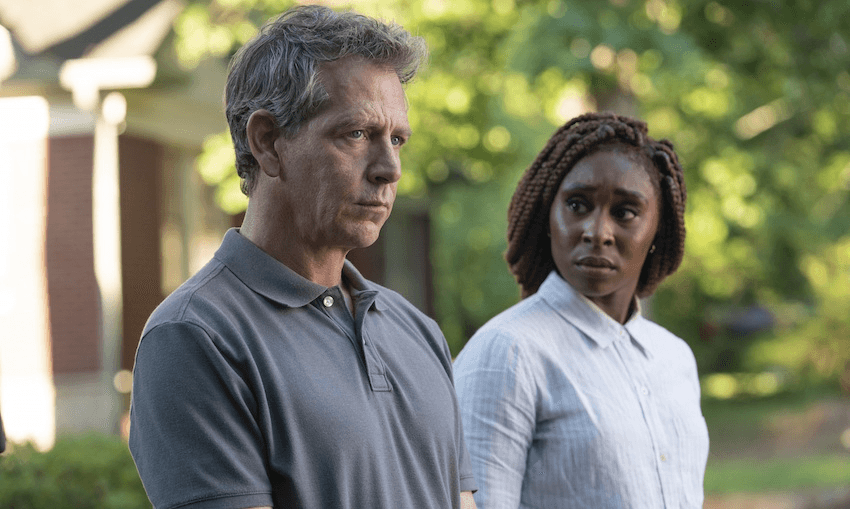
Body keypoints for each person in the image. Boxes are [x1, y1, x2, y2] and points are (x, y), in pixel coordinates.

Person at [129, 6, 477, 509]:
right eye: (356, 134)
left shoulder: (416, 331)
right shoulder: (194, 338)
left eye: (397, 140)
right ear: (268, 141)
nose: (390, 169)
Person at [453, 112, 709, 508]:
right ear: (548, 218)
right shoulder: (506, 353)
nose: (597, 231)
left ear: (659, 229)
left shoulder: (674, 357)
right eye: (577, 204)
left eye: (625, 212)